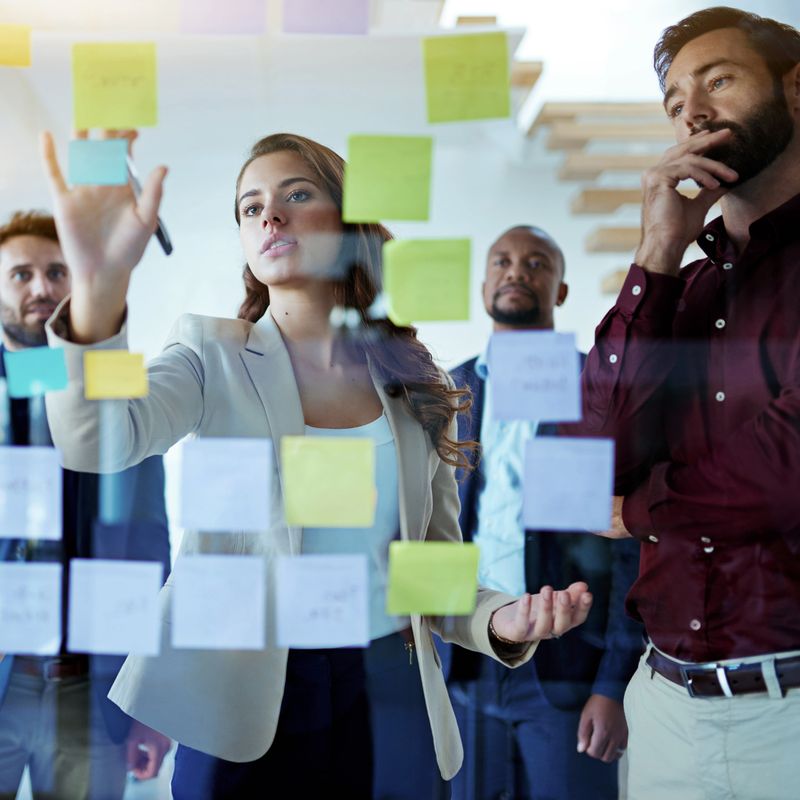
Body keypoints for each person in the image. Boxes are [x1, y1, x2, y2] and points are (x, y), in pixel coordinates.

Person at [37, 130, 594, 799]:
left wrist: (502, 620)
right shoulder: (211, 355)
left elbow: (429, 573)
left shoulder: (416, 384)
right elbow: (97, 441)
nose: (269, 215)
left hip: (390, 694)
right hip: (246, 701)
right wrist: (99, 293)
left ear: (348, 222)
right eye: (251, 207)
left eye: (295, 195)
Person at [576, 7, 800, 799]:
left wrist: (640, 511)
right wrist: (657, 250)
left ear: (796, 90)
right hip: (665, 705)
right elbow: (598, 450)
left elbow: (784, 472)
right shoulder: (682, 287)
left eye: (720, 80)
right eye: (675, 102)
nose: (692, 111)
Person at [439, 226, 642, 800]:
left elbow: (628, 544)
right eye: (501, 260)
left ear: (561, 289)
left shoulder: (595, 388)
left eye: (535, 263)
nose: (516, 271)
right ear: (483, 284)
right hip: (466, 657)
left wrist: (613, 684)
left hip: (566, 666)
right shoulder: (449, 393)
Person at [0, 211, 172, 799]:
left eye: (56, 272)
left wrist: (150, 700)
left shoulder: (120, 387)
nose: (41, 288)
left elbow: (148, 544)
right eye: (20, 275)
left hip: (90, 688)